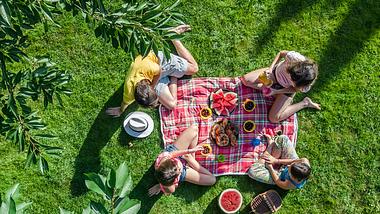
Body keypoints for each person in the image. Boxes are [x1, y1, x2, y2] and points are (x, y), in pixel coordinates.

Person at [106, 24, 199, 116]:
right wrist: (120, 110)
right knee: (172, 105)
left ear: (151, 88)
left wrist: (153, 84)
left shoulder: (150, 67)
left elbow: (160, 71)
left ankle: (173, 36)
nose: (157, 105)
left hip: (160, 63)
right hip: (152, 77)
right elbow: (125, 103)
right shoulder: (129, 92)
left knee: (194, 68)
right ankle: (174, 75)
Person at [241, 50, 321, 123]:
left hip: (286, 89)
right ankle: (274, 94)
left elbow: (294, 89)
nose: (290, 80)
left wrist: (277, 91)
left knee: (274, 118)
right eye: (291, 77)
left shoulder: (304, 85)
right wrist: (270, 69)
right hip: (274, 74)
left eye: (293, 82)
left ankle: (305, 103)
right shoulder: (294, 58)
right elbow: (281, 53)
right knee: (245, 80)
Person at [148, 125, 216, 196]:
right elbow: (170, 190)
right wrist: (161, 186)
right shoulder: (170, 186)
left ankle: (191, 158)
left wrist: (190, 151)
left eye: (178, 167)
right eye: (179, 171)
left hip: (174, 153)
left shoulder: (164, 158)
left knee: (194, 128)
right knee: (212, 180)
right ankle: (192, 161)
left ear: (170, 161)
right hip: (181, 172)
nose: (180, 168)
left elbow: (174, 154)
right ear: (175, 180)